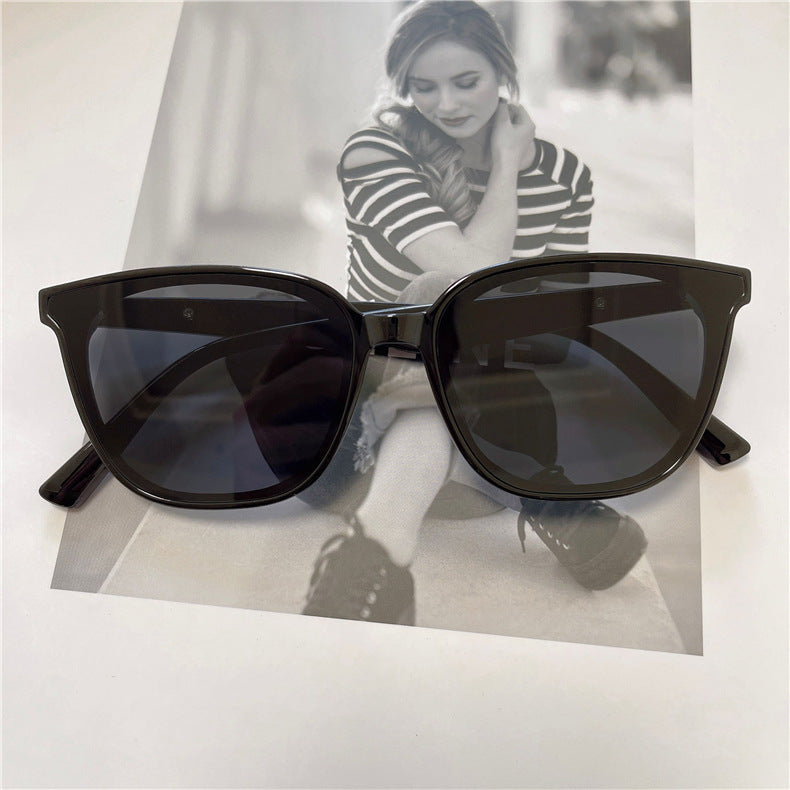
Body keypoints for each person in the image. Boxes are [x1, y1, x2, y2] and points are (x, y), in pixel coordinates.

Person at [301, 0, 647, 626]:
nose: (447, 104)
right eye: (424, 87)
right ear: (403, 87)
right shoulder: (375, 154)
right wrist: (508, 165)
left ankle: (372, 557)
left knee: (466, 346)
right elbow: (471, 272)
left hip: (486, 447)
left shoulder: (565, 178)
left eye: (466, 82)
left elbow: (556, 327)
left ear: (502, 73)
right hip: (358, 435)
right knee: (440, 297)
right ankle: (553, 504)